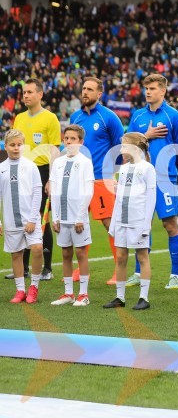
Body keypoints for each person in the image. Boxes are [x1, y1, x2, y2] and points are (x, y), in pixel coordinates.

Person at [126, 74, 178, 290]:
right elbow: (128, 146)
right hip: (140, 178)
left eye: (153, 88)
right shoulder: (138, 116)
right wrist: (146, 134)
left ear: (163, 91)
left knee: (170, 225)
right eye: (146, 88)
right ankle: (137, 272)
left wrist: (167, 169)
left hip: (164, 179)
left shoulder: (173, 116)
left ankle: (175, 275)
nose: (148, 92)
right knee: (141, 225)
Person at [69, 76, 125, 286]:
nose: (85, 92)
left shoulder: (108, 117)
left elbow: (121, 147)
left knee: (109, 224)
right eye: (83, 88)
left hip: (102, 178)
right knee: (78, 221)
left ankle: (119, 270)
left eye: (90, 89)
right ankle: (81, 269)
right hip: (79, 178)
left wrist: (113, 172)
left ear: (99, 94)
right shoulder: (75, 117)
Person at [10, 79, 59, 281]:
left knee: (40, 218)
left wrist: (52, 178)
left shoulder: (50, 118)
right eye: (24, 92)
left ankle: (46, 268)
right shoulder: (19, 118)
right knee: (23, 216)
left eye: (30, 92)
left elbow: (55, 149)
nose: (26, 95)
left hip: (42, 171)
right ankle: (23, 268)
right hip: (22, 171)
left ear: (40, 94)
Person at [104, 133, 156, 311]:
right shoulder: (124, 169)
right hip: (122, 220)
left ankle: (144, 297)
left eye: (124, 146)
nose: (121, 150)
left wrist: (146, 223)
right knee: (120, 257)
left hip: (138, 220)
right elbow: (119, 197)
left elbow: (151, 197)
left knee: (142, 256)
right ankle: (120, 296)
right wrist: (113, 223)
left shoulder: (147, 168)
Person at [48, 125, 94, 307]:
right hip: (62, 218)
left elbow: (89, 191)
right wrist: (55, 217)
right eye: (66, 138)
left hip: (78, 218)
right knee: (66, 253)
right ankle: (68, 293)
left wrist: (80, 217)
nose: (68, 142)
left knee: (81, 253)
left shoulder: (85, 162)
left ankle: (83, 294)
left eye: (73, 139)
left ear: (81, 142)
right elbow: (54, 190)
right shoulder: (58, 162)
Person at [1, 129, 45, 304]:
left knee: (37, 249)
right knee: (16, 254)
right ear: (6, 146)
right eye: (12, 145)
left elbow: (37, 191)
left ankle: (33, 287)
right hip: (11, 219)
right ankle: (20, 290)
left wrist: (33, 219)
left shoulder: (30, 165)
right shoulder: (1, 168)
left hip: (30, 219)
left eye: (19, 145)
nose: (16, 148)